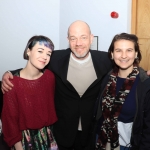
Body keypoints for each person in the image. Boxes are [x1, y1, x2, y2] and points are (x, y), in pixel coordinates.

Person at [2, 21, 150, 150]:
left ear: (91, 38)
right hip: (61, 133)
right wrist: (9, 74)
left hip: (91, 134)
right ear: (68, 40)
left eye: (83, 37)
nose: (78, 43)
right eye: (73, 38)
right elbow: (35, 65)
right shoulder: (55, 58)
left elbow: (126, 63)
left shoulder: (105, 60)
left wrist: (146, 73)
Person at [1, 35, 58, 150]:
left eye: (48, 53)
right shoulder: (11, 83)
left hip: (49, 137)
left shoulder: (49, 77)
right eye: (40, 51)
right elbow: (9, 121)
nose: (44, 57)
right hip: (24, 141)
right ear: (28, 51)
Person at [95, 33, 150, 150]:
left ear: (136, 54)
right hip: (102, 141)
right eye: (118, 50)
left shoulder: (145, 83)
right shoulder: (107, 78)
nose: (123, 56)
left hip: (130, 145)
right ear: (111, 54)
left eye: (129, 50)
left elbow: (148, 128)